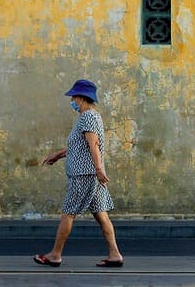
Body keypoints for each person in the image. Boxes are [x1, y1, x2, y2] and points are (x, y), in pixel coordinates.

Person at [33, 79, 124, 268]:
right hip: (91, 175)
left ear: (82, 98)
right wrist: (58, 155)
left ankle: (55, 255)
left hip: (84, 175)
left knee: (68, 213)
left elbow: (93, 145)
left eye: (74, 96)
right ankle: (115, 254)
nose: (72, 100)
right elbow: (79, 146)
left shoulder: (88, 117)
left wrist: (98, 170)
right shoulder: (91, 116)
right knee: (101, 215)